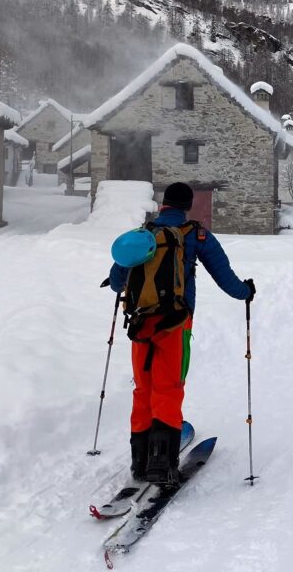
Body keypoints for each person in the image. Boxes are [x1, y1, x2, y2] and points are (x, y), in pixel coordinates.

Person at [109, 182, 253, 485]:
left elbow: (116, 279)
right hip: (176, 323)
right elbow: (224, 277)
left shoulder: (143, 234)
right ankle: (161, 464)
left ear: (164, 204)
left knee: (143, 389)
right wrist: (246, 292)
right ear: (187, 206)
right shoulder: (196, 234)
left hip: (140, 324)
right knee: (168, 388)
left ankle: (140, 461)